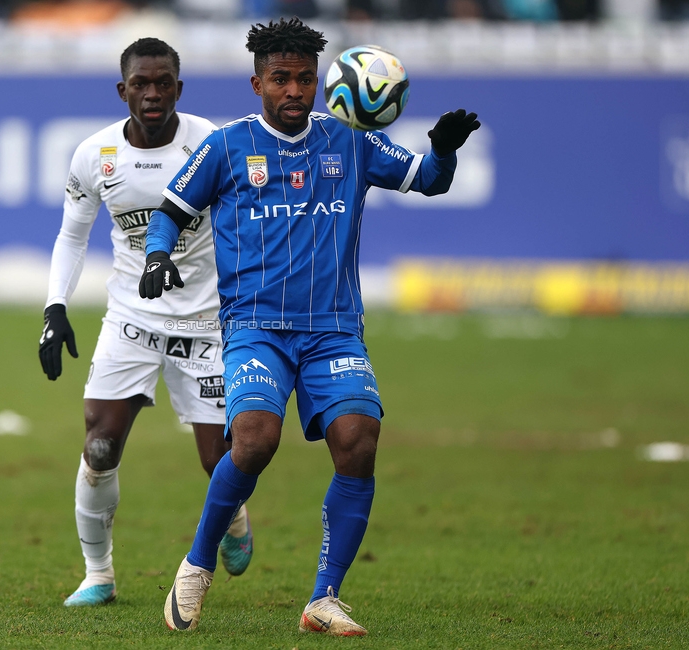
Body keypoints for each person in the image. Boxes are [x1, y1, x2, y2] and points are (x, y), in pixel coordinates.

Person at [139, 18, 480, 636]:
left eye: (304, 79)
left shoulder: (350, 140)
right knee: (253, 439)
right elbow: (169, 214)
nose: (294, 90)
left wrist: (444, 149)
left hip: (333, 330)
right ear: (256, 83)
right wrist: (158, 256)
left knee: (359, 440)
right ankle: (196, 565)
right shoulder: (226, 146)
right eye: (280, 79)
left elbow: (429, 181)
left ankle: (324, 598)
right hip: (257, 327)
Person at [38, 37, 254, 608]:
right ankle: (98, 575)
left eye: (164, 84)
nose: (153, 94)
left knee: (220, 461)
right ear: (123, 90)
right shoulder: (96, 154)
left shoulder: (214, 143)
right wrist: (55, 307)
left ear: (179, 89)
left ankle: (233, 516)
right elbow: (71, 235)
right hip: (131, 318)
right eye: (141, 84)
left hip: (207, 324)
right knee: (100, 446)